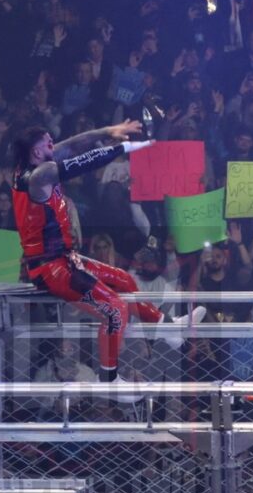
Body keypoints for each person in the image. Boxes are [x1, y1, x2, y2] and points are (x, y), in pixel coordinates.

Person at [12, 121, 204, 393]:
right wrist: (123, 147)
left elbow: (75, 143)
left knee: (123, 279)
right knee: (115, 309)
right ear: (35, 151)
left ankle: (166, 329)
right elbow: (82, 162)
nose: (53, 146)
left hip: (64, 258)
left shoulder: (37, 164)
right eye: (47, 143)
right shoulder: (40, 175)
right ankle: (110, 380)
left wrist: (106, 132)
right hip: (50, 268)